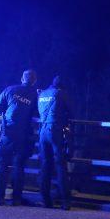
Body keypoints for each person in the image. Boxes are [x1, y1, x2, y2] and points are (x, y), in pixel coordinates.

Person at [0, 69, 38, 206]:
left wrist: (5, 115)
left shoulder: (10, 89)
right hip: (23, 135)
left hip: (7, 133)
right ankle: (16, 198)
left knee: (2, 166)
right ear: (34, 81)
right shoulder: (35, 95)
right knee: (18, 167)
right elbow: (38, 112)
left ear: (21, 78)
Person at [37, 76, 74, 210]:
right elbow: (72, 112)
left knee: (45, 166)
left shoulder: (42, 94)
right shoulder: (60, 93)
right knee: (60, 166)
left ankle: (45, 200)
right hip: (56, 131)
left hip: (43, 131)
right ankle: (65, 201)